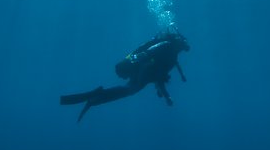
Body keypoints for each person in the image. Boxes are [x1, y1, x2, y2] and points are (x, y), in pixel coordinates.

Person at [60, 31, 190, 122]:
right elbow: (148, 54)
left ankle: (95, 98)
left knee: (127, 91)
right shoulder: (167, 45)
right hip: (143, 70)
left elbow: (160, 77)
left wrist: (167, 96)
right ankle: (95, 97)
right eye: (181, 46)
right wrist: (165, 95)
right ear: (177, 42)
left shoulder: (173, 58)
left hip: (146, 73)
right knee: (129, 90)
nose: (181, 48)